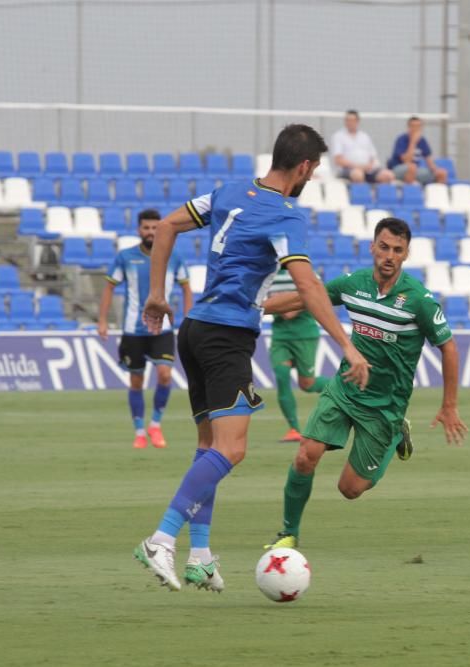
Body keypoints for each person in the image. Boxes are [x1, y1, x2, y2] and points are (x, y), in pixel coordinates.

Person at [132, 124, 370, 593]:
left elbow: (166, 228)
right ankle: (160, 539)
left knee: (209, 448)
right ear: (303, 167)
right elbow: (306, 285)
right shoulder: (285, 215)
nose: (311, 177)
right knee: (232, 449)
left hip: (195, 330)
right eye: (314, 169)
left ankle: (199, 555)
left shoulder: (228, 191)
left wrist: (157, 295)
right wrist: (346, 344)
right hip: (226, 337)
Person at [262, 217, 467, 550]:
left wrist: (449, 406)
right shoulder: (353, 284)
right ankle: (288, 533)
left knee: (350, 489)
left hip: (386, 405)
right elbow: (306, 298)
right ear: (372, 247)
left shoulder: (418, 300)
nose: (389, 255)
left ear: (406, 254)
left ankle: (397, 432)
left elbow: (450, 347)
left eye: (397, 250)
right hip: (346, 389)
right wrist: (256, 308)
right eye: (383, 247)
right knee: (305, 455)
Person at [98, 208, 192, 449]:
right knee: (136, 381)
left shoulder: (174, 256)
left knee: (165, 374)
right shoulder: (125, 257)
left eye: (154, 227)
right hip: (133, 330)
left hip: (163, 329)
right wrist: (102, 320)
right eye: (146, 228)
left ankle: (156, 425)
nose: (150, 232)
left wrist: (188, 317)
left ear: (160, 228)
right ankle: (139, 431)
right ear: (139, 230)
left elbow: (186, 287)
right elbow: (109, 286)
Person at [266, 267, 331, 443]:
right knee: (281, 374)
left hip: (305, 334)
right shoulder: (268, 274)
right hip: (280, 335)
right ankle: (294, 429)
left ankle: (348, 388)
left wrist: (285, 306)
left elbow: (317, 296)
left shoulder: (308, 273)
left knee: (307, 384)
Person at [331, 110, 394, 184]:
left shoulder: (365, 136)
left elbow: (373, 157)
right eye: (347, 120)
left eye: (352, 120)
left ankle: (381, 195)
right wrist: (357, 167)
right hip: (348, 170)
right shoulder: (338, 136)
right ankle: (361, 195)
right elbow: (338, 160)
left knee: (388, 175)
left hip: (367, 169)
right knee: (358, 174)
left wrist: (368, 166)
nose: (349, 123)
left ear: (357, 121)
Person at [387, 116, 448, 185]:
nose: (415, 129)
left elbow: (429, 161)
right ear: (408, 127)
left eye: (418, 126)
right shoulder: (401, 139)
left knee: (441, 173)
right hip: (398, 169)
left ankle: (435, 193)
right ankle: (410, 192)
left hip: (416, 170)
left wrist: (437, 171)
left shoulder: (422, 141)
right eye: (413, 126)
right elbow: (406, 161)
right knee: (412, 167)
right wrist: (413, 142)